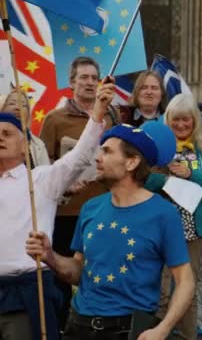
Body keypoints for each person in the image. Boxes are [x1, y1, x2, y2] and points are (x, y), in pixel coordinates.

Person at [26, 110, 195, 339]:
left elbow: (185, 281)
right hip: (79, 325)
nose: (97, 157)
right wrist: (50, 257)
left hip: (128, 329)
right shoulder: (90, 208)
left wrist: (163, 328)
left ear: (132, 162)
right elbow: (78, 272)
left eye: (106, 151)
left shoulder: (163, 214)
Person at [0, 77, 110, 340]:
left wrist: (97, 111)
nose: (0, 139)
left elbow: (80, 156)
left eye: (6, 134)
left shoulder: (41, 180)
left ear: (25, 144)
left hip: (25, 294)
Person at [39, 56, 119, 328]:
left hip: (103, 209)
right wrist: (65, 186)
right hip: (66, 213)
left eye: (94, 78)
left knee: (100, 271)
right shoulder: (54, 119)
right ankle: (61, 326)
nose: (89, 83)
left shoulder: (111, 117)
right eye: (83, 77)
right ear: (71, 82)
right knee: (63, 275)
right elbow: (43, 165)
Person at [144, 93, 202, 339]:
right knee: (159, 291)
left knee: (187, 289)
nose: (180, 125)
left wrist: (191, 174)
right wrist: (167, 179)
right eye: (175, 120)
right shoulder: (156, 148)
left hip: (193, 230)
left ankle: (189, 337)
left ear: (194, 121)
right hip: (160, 226)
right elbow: (143, 179)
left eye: (186, 120)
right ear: (167, 121)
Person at [2, 88, 50, 167]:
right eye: (12, 104)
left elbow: (46, 176)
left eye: (23, 105)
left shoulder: (38, 145)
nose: (18, 108)